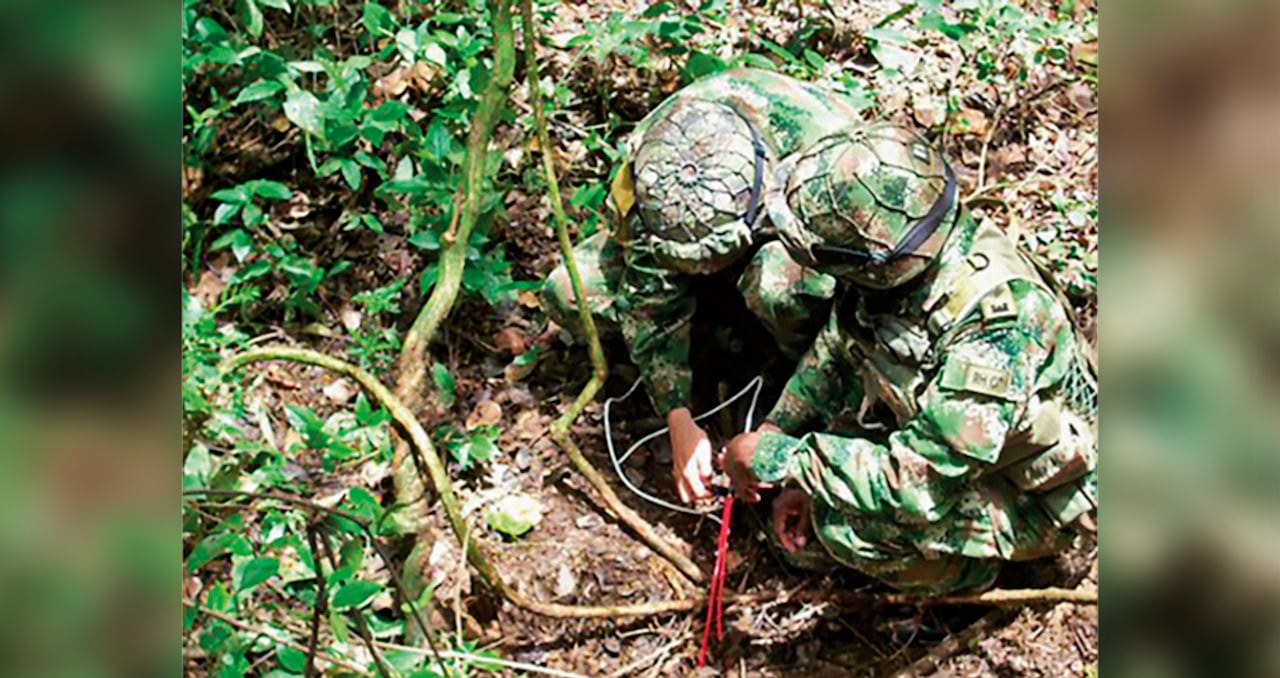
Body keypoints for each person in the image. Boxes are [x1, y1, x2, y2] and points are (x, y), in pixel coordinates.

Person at [720, 123, 1098, 594]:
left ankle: (987, 574)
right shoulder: (910, 255)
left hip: (1040, 498)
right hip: (962, 446)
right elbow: (839, 347)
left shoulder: (995, 331)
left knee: (845, 529)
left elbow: (918, 485)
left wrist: (785, 461)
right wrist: (777, 429)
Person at [541, 68, 866, 503]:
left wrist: (788, 428)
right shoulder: (658, 170)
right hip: (714, 266)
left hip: (790, 249)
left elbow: (859, 307)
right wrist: (678, 416)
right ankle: (729, 345)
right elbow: (648, 297)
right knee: (570, 291)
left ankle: (783, 365)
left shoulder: (830, 162)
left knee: (780, 284)